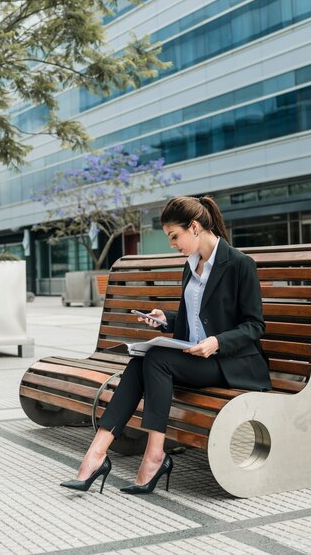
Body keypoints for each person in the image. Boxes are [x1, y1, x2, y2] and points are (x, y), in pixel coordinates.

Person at [60, 195, 271, 495]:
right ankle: (96, 455)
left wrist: (217, 342)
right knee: (139, 363)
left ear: (195, 227)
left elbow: (254, 326)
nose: (173, 244)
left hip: (231, 363)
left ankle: (155, 456)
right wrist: (166, 320)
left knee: (156, 359)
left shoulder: (239, 264)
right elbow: (196, 318)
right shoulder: (191, 265)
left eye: (175, 236)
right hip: (196, 358)